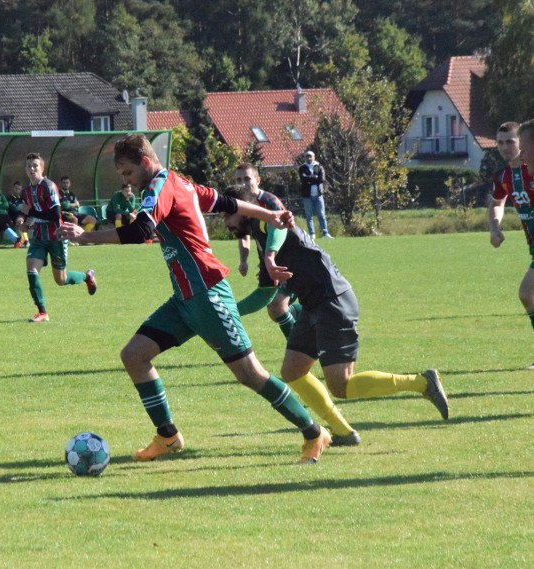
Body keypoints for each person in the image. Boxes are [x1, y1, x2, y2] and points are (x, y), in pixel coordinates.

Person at [56, 134, 332, 465]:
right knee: (134, 355)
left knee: (250, 374)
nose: (126, 181)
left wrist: (86, 237)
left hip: (207, 295)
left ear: (145, 162)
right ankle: (168, 436)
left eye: (127, 173)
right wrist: (268, 215)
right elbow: (225, 204)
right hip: (186, 298)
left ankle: (314, 433)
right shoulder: (179, 183)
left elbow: (141, 231)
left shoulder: (161, 186)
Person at [220, 182, 449, 441]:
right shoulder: (260, 237)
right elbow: (265, 294)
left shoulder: (266, 222)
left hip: (333, 302)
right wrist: (228, 312)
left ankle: (421, 383)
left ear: (245, 209)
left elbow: (277, 227)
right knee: (293, 371)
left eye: (228, 214)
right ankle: (342, 432)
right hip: (312, 306)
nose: (225, 222)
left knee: (341, 385)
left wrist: (271, 256)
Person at [21, 152, 97, 323]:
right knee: (31, 271)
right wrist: (23, 221)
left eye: (35, 166)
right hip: (39, 238)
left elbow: (55, 215)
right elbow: (28, 215)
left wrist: (31, 213)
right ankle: (42, 312)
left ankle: (87, 276)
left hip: (56, 237)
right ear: (25, 170)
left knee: (61, 280)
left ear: (42, 168)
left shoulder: (49, 186)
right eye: (29, 166)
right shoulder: (26, 192)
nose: (32, 169)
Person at [233, 163, 302, 339]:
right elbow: (245, 235)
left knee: (277, 306)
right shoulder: (244, 206)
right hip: (270, 263)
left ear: (257, 180)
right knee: (275, 310)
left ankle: (298, 348)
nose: (243, 183)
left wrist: (272, 260)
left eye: (247, 178)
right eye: (238, 180)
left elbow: (284, 230)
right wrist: (244, 260)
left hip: (290, 260)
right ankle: (310, 315)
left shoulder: (270, 202)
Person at [488, 121, 534, 369]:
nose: (505, 147)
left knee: (527, 293)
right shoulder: (504, 176)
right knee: (528, 296)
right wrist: (495, 227)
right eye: (500, 142)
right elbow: (497, 202)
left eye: (511, 142)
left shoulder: (532, 169)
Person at [298, 150, 332, 240]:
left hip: (318, 195)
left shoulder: (319, 166)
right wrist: (314, 177)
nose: (309, 158)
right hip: (307, 195)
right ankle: (312, 234)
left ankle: (325, 233)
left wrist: (309, 178)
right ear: (305, 158)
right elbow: (303, 178)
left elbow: (322, 179)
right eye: (307, 157)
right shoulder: (302, 168)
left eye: (310, 156)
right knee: (309, 216)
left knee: (321, 214)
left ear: (314, 157)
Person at [7, 180, 30, 246]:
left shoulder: (23, 198)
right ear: (13, 188)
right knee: (20, 221)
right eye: (16, 188)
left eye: (19, 189)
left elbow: (28, 207)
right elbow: (15, 208)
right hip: (14, 216)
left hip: (24, 215)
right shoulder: (9, 198)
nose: (17, 190)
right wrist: (23, 206)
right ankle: (26, 241)